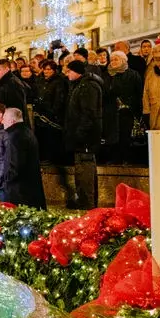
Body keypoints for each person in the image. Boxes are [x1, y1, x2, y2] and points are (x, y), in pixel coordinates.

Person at [64, 60, 103, 209]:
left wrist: (80, 133)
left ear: (77, 72)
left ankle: (87, 202)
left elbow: (89, 114)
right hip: (82, 135)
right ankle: (84, 200)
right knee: (82, 169)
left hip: (86, 137)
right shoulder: (80, 85)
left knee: (85, 170)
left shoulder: (88, 86)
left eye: (69, 71)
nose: (67, 74)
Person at [2, 107, 45, 208]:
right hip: (29, 188)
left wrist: (6, 180)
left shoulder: (15, 136)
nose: (2, 121)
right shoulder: (26, 131)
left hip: (19, 192)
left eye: (4, 118)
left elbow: (16, 165)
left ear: (12, 120)